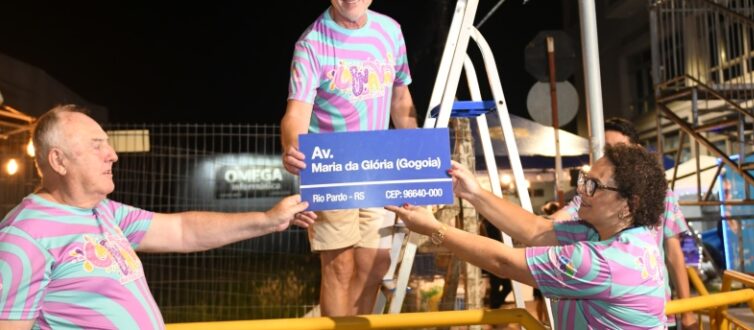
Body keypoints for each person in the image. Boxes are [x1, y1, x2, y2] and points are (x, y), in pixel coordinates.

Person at [0, 105, 315, 329]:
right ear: (59, 160)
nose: (112, 154)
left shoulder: (104, 212)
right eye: (97, 146)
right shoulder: (25, 237)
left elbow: (182, 230)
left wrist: (269, 219)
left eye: (107, 144)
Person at [387, 144, 669, 329]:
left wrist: (435, 230)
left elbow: (504, 263)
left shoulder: (603, 261)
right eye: (583, 178)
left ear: (628, 204)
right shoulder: (635, 238)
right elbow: (536, 230)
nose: (581, 189)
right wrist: (472, 192)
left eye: (594, 185)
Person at [280, 0, 418, 317]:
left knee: (375, 264)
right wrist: (291, 146)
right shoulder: (311, 43)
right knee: (339, 267)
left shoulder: (391, 31)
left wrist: (415, 155)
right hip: (331, 169)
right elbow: (296, 112)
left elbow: (401, 98)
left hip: (377, 165)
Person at [551, 117, 696, 329]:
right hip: (608, 303)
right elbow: (559, 217)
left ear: (636, 150)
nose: (611, 156)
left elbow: (674, 252)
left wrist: (688, 311)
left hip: (654, 305)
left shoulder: (663, 194)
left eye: (617, 148)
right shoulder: (596, 193)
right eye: (607, 149)